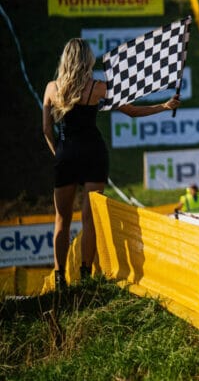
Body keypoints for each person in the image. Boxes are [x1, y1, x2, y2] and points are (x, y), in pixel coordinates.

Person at [43, 38, 180, 288]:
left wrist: (60, 154)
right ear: (87, 60)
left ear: (65, 59)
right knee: (90, 218)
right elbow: (133, 112)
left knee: (61, 220)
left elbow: (46, 129)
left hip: (66, 155)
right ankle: (86, 275)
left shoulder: (52, 88)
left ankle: (59, 276)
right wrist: (164, 105)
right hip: (94, 153)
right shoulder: (98, 87)